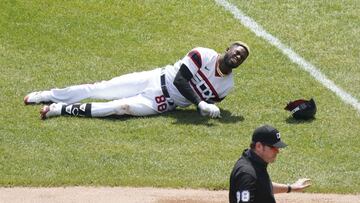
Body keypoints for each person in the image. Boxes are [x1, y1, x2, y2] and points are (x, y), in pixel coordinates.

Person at [24, 41, 250, 120]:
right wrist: (200, 103)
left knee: (119, 108)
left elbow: (212, 100)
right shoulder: (203, 54)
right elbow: (181, 80)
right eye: (236, 51)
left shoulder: (226, 86)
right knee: (101, 88)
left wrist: (209, 108)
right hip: (154, 79)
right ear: (227, 49)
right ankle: (46, 95)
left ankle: (59, 110)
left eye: (241, 57)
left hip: (161, 103)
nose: (237, 56)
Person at [229, 124, 311, 203]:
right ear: (259, 146)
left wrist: (291, 187)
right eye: (273, 148)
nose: (278, 151)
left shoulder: (255, 163)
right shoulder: (247, 174)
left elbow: (262, 186)